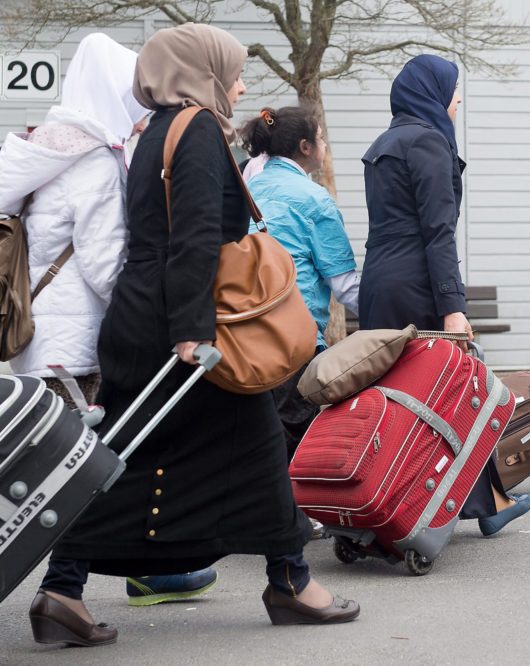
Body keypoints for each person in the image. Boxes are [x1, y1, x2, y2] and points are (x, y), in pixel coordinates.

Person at [25, 24, 359, 649]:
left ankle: (61, 591)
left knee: (125, 456)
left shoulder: (154, 130)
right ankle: (290, 581)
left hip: (140, 317)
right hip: (179, 326)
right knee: (254, 442)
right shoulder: (199, 128)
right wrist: (190, 333)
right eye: (230, 69)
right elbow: (198, 236)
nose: (239, 82)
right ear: (197, 71)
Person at [0, 32, 220, 612]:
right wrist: (151, 304)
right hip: (76, 344)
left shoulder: (40, 148)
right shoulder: (92, 160)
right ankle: (65, 591)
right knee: (76, 477)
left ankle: (94, 583)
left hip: (34, 334)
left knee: (53, 473)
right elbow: (103, 265)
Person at [360, 54, 530, 536]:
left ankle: (382, 503)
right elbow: (438, 233)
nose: (457, 101)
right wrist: (453, 307)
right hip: (418, 281)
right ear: (433, 92)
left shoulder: (383, 143)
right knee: (459, 393)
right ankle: (488, 503)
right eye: (454, 91)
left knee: (393, 398)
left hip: (380, 281)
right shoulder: (429, 142)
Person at [240, 106, 360, 459]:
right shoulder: (315, 200)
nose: (325, 146)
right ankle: (296, 514)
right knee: (293, 441)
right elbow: (345, 286)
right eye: (322, 138)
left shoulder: (246, 187)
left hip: (242, 333)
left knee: (256, 440)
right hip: (293, 336)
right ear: (306, 147)